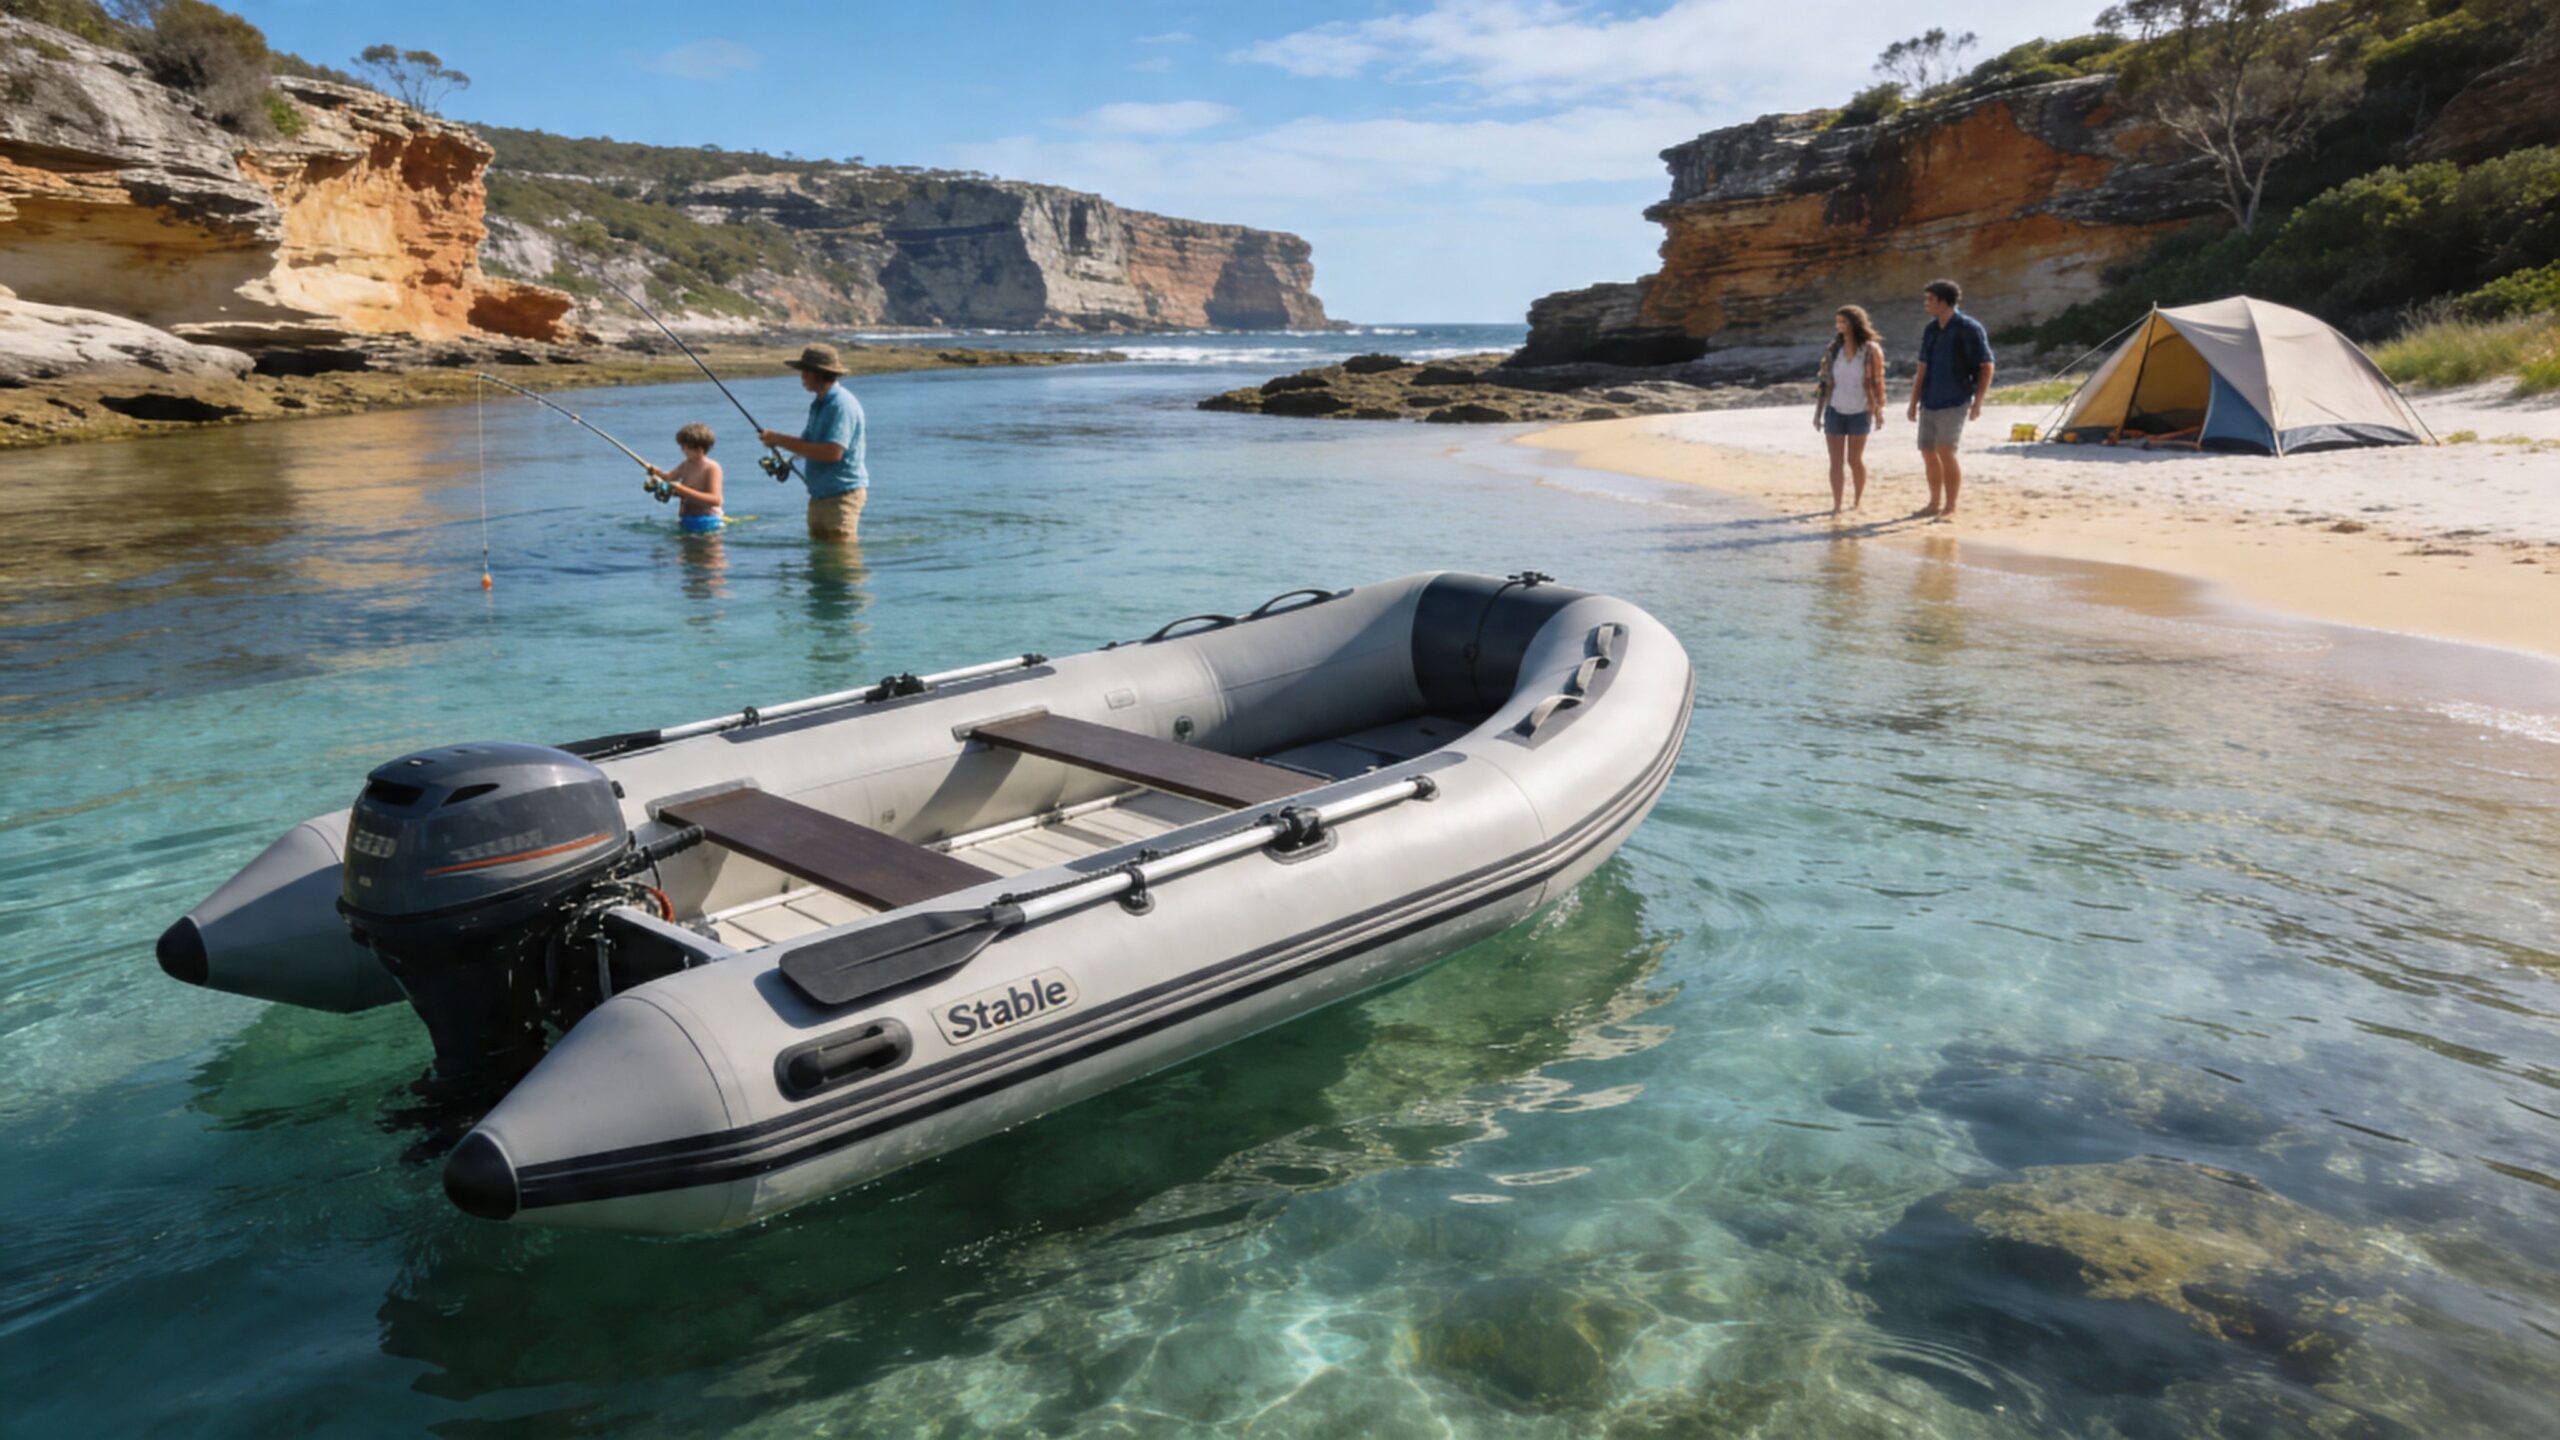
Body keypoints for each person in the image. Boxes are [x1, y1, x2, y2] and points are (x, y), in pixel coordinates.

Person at [1905, 278, 1995, 522]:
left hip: (1955, 399)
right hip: (1930, 399)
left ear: (1944, 301)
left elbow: (1986, 365)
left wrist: (1978, 402)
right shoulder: (1931, 329)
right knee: (1927, 451)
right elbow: (1922, 367)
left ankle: (1951, 506)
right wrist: (1913, 401)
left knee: (1946, 450)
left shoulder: (1969, 327)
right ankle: (1934, 503)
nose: (1927, 304)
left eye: (1930, 300)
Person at [759, 343, 868, 543]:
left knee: (841, 558)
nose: (802, 377)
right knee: (819, 557)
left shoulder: (841, 405)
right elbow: (807, 443)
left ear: (818, 373)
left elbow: (833, 452)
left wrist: (778, 439)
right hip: (819, 495)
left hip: (842, 496)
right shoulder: (819, 403)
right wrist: (776, 441)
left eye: (805, 372)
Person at [1812, 304, 1887, 515]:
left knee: (1854, 460)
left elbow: (1877, 382)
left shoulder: (1871, 350)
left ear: (1854, 323)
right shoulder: (1833, 349)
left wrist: (1879, 411)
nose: (1839, 326)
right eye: (1837, 322)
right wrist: (1818, 413)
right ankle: (1836, 505)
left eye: (1843, 322)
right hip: (1835, 409)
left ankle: (1856, 501)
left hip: (1860, 410)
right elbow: (1824, 382)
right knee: (1835, 461)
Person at [644, 422, 724, 534]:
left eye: (685, 447)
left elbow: (716, 500)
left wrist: (682, 490)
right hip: (686, 520)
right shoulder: (686, 464)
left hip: (707, 522)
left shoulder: (712, 468)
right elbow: (669, 478)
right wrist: (656, 472)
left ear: (700, 449)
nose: (682, 450)